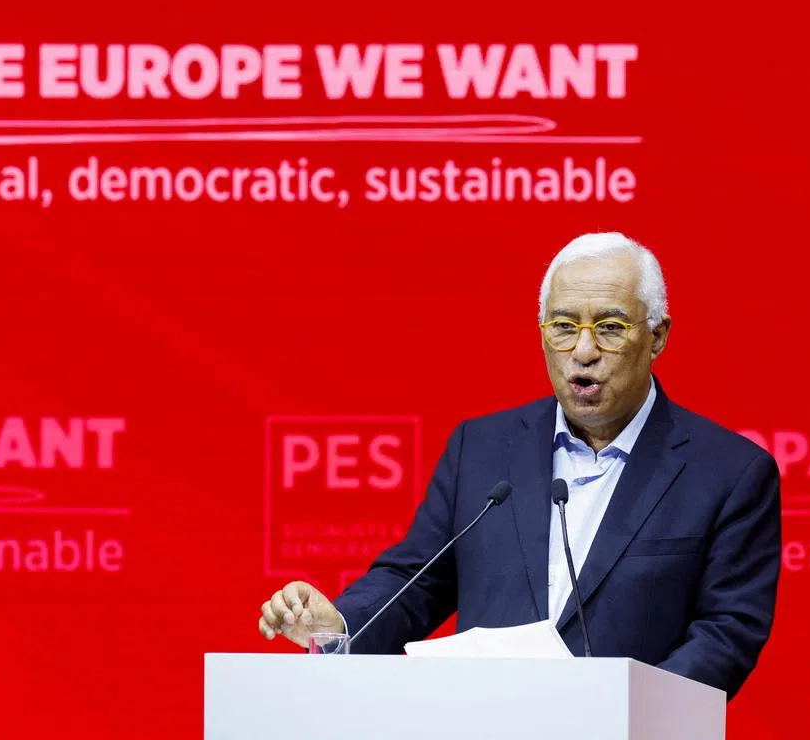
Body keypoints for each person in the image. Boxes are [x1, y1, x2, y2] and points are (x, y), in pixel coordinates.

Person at [259, 232, 781, 698]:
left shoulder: (729, 474)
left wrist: (630, 717)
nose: (583, 351)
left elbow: (726, 632)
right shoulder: (482, 449)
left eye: (610, 328)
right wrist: (340, 625)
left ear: (658, 336)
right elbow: (415, 580)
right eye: (563, 327)